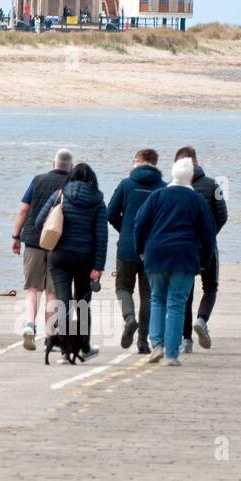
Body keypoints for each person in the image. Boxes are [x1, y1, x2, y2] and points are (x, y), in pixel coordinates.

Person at [133, 157, 217, 366]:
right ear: (190, 176)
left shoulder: (157, 196)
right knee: (177, 304)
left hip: (156, 253)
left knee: (157, 299)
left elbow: (139, 224)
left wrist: (140, 250)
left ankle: (157, 345)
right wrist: (204, 260)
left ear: (172, 174)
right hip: (184, 255)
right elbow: (208, 235)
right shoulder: (197, 200)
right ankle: (171, 354)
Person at [34, 163, 108, 360]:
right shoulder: (98, 200)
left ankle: (66, 350)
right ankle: (84, 346)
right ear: (91, 179)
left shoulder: (60, 195)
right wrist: (99, 266)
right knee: (83, 302)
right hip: (85, 258)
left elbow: (39, 221)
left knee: (63, 301)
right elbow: (102, 236)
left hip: (59, 256)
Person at [11, 148, 74, 350]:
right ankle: (50, 336)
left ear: (52, 163)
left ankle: (30, 324)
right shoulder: (73, 185)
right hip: (59, 243)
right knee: (52, 292)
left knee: (33, 288)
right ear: (71, 166)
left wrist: (16, 236)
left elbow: (23, 209)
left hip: (33, 240)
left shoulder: (37, 180)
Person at [107, 149, 166, 353]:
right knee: (149, 295)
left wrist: (124, 230)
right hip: (152, 250)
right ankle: (143, 341)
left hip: (127, 247)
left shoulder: (126, 184)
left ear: (138, 162)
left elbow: (110, 213)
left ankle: (129, 318)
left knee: (123, 287)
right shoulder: (163, 188)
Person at [174, 146, 227, 352]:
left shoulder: (175, 186)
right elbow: (222, 215)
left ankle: (186, 339)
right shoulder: (214, 184)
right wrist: (210, 234)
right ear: (197, 161)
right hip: (207, 246)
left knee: (186, 292)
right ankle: (202, 320)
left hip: (183, 246)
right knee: (210, 287)